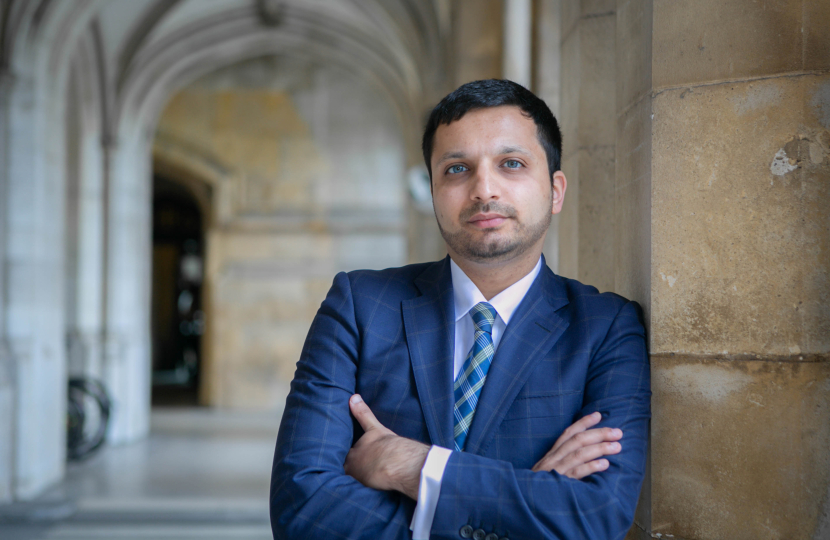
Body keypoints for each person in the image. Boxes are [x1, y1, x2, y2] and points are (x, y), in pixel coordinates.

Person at [270, 79, 650, 540]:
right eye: (456, 169)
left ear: (555, 190)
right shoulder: (358, 306)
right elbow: (301, 508)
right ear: (432, 190)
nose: (483, 188)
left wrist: (416, 466)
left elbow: (597, 514)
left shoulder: (606, 328)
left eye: (512, 164)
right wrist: (529, 495)